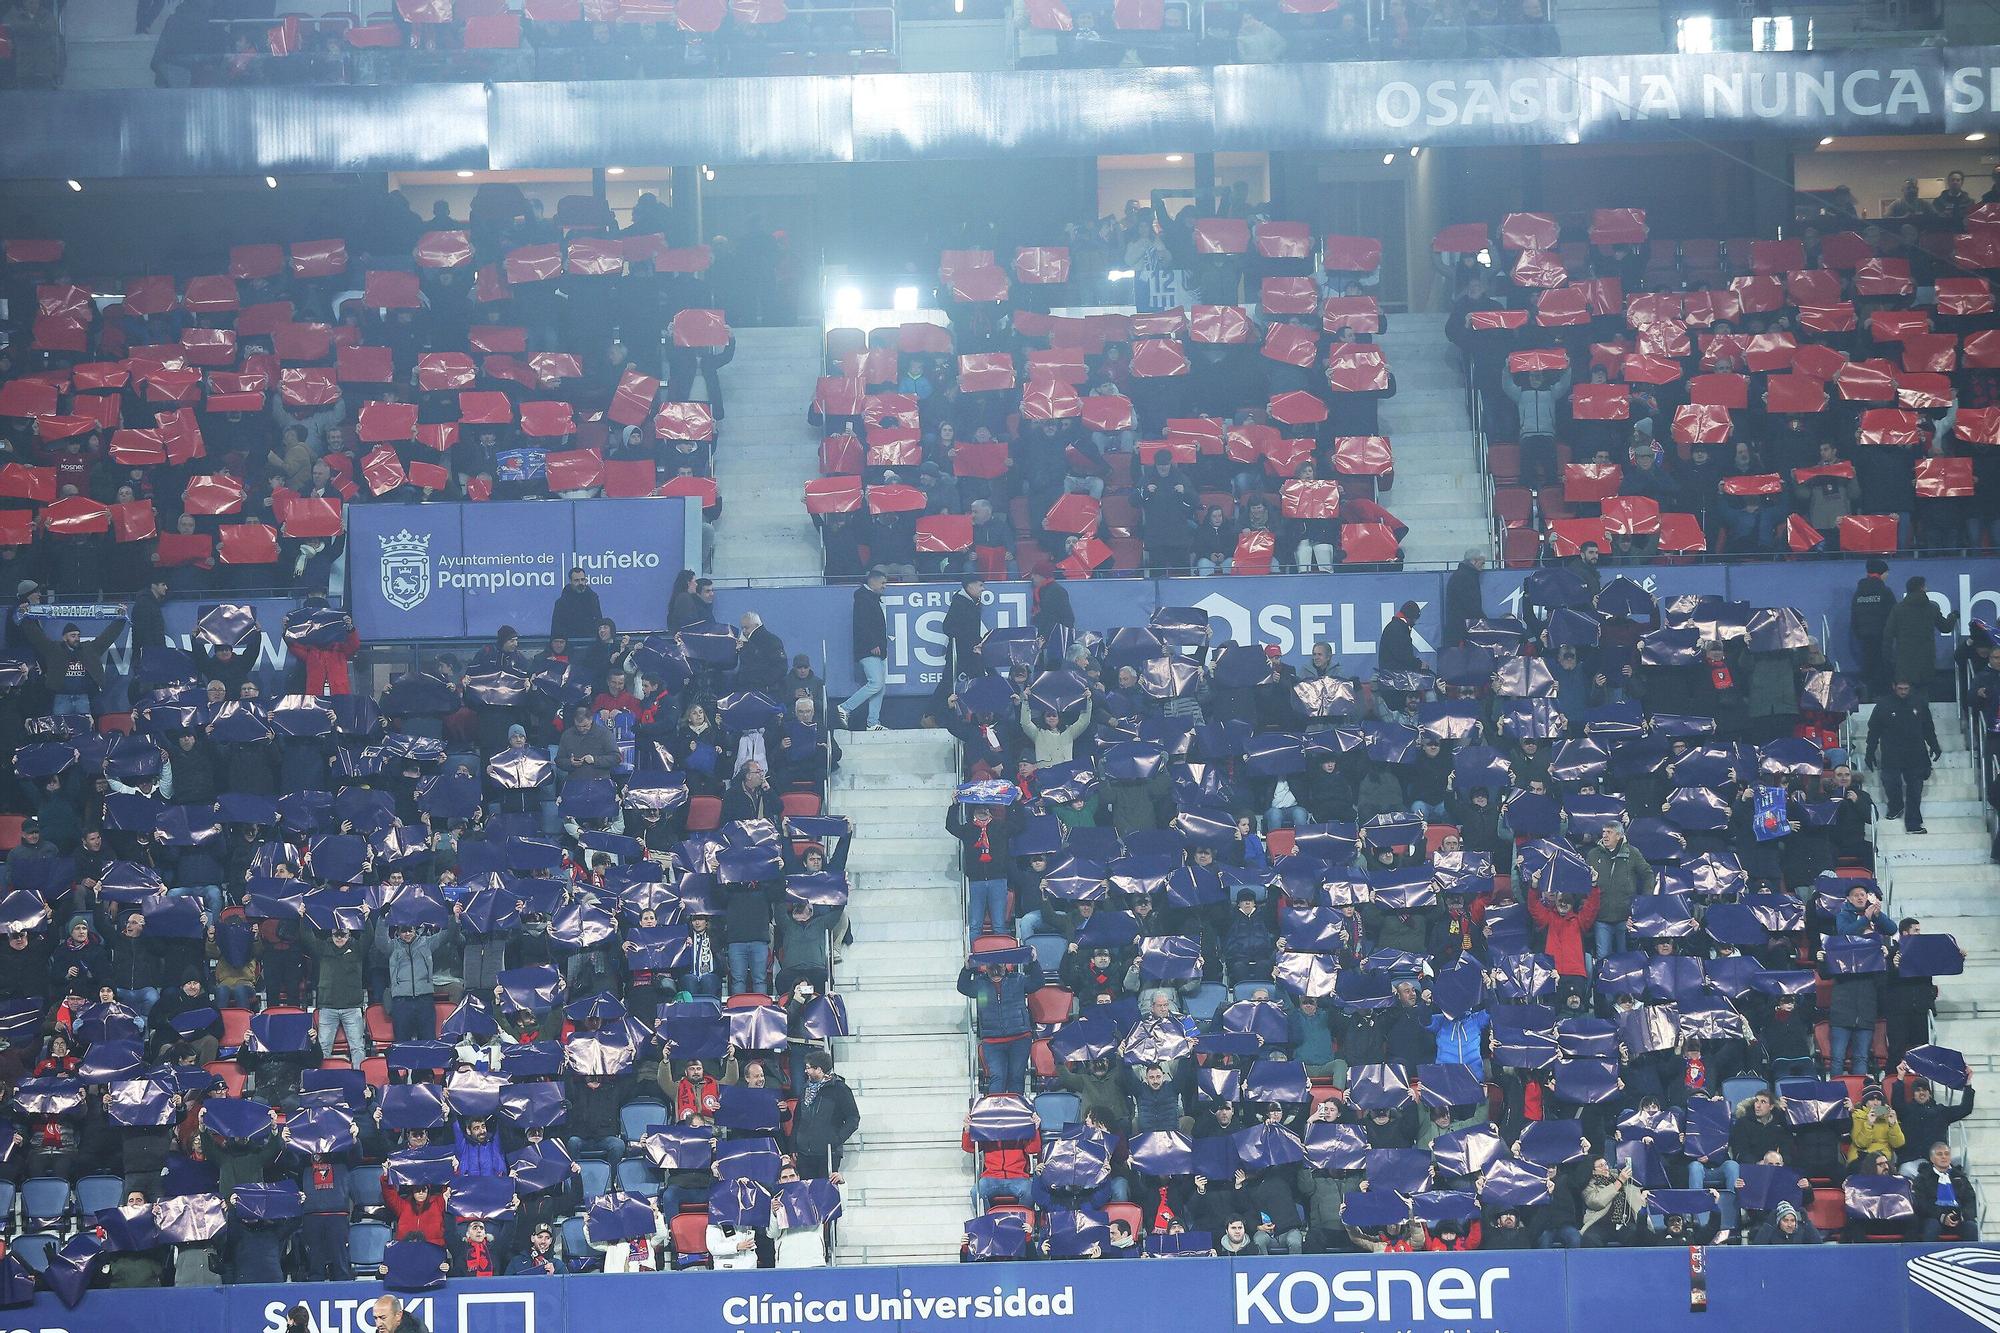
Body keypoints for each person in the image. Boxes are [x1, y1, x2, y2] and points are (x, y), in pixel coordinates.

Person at [1866, 679, 1941, 835]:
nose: (1903, 692)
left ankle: (1913, 824)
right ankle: (1896, 806)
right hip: (1891, 753)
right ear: (1893, 686)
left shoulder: (1919, 703)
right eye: (1900, 688)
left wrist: (1934, 745)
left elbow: (1928, 727)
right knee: (1890, 782)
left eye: (1906, 688)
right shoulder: (1883, 705)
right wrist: (1870, 751)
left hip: (1916, 754)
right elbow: (1874, 730)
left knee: (1915, 790)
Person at [1883, 576, 1955, 699]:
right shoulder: (1931, 608)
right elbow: (1946, 628)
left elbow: (1888, 634)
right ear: (1922, 588)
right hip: (1926, 659)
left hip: (1904, 660)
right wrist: (1953, 617)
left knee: (1904, 696)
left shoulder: (1898, 609)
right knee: (1923, 695)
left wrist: (1887, 658)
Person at [836, 568, 890, 733]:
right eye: (883, 583)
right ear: (872, 581)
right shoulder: (864, 599)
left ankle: (872, 723)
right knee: (876, 683)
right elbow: (862, 624)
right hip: (868, 650)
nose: (885, 586)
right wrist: (872, 643)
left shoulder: (869, 598)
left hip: (876, 650)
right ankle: (845, 707)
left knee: (880, 686)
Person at [931, 577, 985, 722]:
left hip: (971, 652)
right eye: (980, 585)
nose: (983, 589)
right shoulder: (960, 603)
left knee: (979, 680)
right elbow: (948, 627)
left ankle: (978, 716)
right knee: (948, 683)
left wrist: (979, 641)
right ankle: (931, 715)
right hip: (960, 652)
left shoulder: (973, 602)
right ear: (970, 585)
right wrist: (970, 640)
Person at [1850, 558, 1896, 698]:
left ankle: (1867, 696)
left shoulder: (1859, 593)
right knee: (1883, 666)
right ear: (1882, 573)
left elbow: (1854, 616)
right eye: (1887, 573)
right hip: (1882, 637)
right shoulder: (1885, 592)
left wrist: (1859, 633)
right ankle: (1883, 696)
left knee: (1868, 665)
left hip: (1864, 638)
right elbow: (1894, 615)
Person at [1915, 1140, 1980, 1240]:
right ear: (1932, 1159)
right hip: (1934, 1218)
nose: (1944, 1157)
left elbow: (1971, 1200)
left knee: (1971, 1227)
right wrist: (1942, 1216)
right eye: (1939, 1154)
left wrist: (1961, 1215)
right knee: (1931, 1227)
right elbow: (1921, 1204)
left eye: (1947, 1154)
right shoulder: (1922, 1178)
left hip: (1958, 1218)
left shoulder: (1960, 1177)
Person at [1441, 550, 1485, 646]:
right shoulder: (1466, 578)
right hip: (1463, 630)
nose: (1483, 568)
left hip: (1458, 628)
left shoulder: (1460, 575)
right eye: (1482, 563)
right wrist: (1485, 621)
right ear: (1474, 561)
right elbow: (1471, 605)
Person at [550, 567, 603, 643]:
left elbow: (599, 622)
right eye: (576, 580)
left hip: (592, 642)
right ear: (570, 581)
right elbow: (556, 628)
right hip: (569, 643)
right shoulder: (561, 603)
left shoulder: (593, 599)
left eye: (582, 579)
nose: (580, 583)